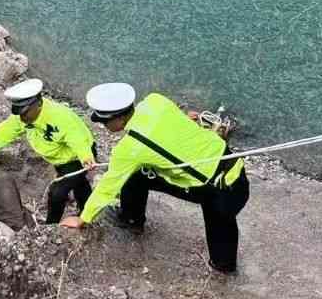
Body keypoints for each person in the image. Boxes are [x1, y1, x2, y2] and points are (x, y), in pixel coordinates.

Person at [60, 83, 250, 275]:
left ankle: (224, 271)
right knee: (137, 174)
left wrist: (83, 219)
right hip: (231, 162)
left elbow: (107, 187)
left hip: (219, 190)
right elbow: (178, 120)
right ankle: (131, 218)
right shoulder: (155, 101)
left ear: (119, 118)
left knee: (222, 256)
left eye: (104, 122)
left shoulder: (130, 149)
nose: (103, 126)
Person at [0, 78, 98, 224]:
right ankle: (86, 210)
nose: (22, 117)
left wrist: (86, 157)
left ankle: (51, 225)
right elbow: (1, 135)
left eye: (25, 112)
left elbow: (77, 139)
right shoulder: (22, 118)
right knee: (79, 183)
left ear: (38, 104)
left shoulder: (59, 117)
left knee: (57, 192)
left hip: (76, 157)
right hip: (59, 158)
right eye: (19, 113)